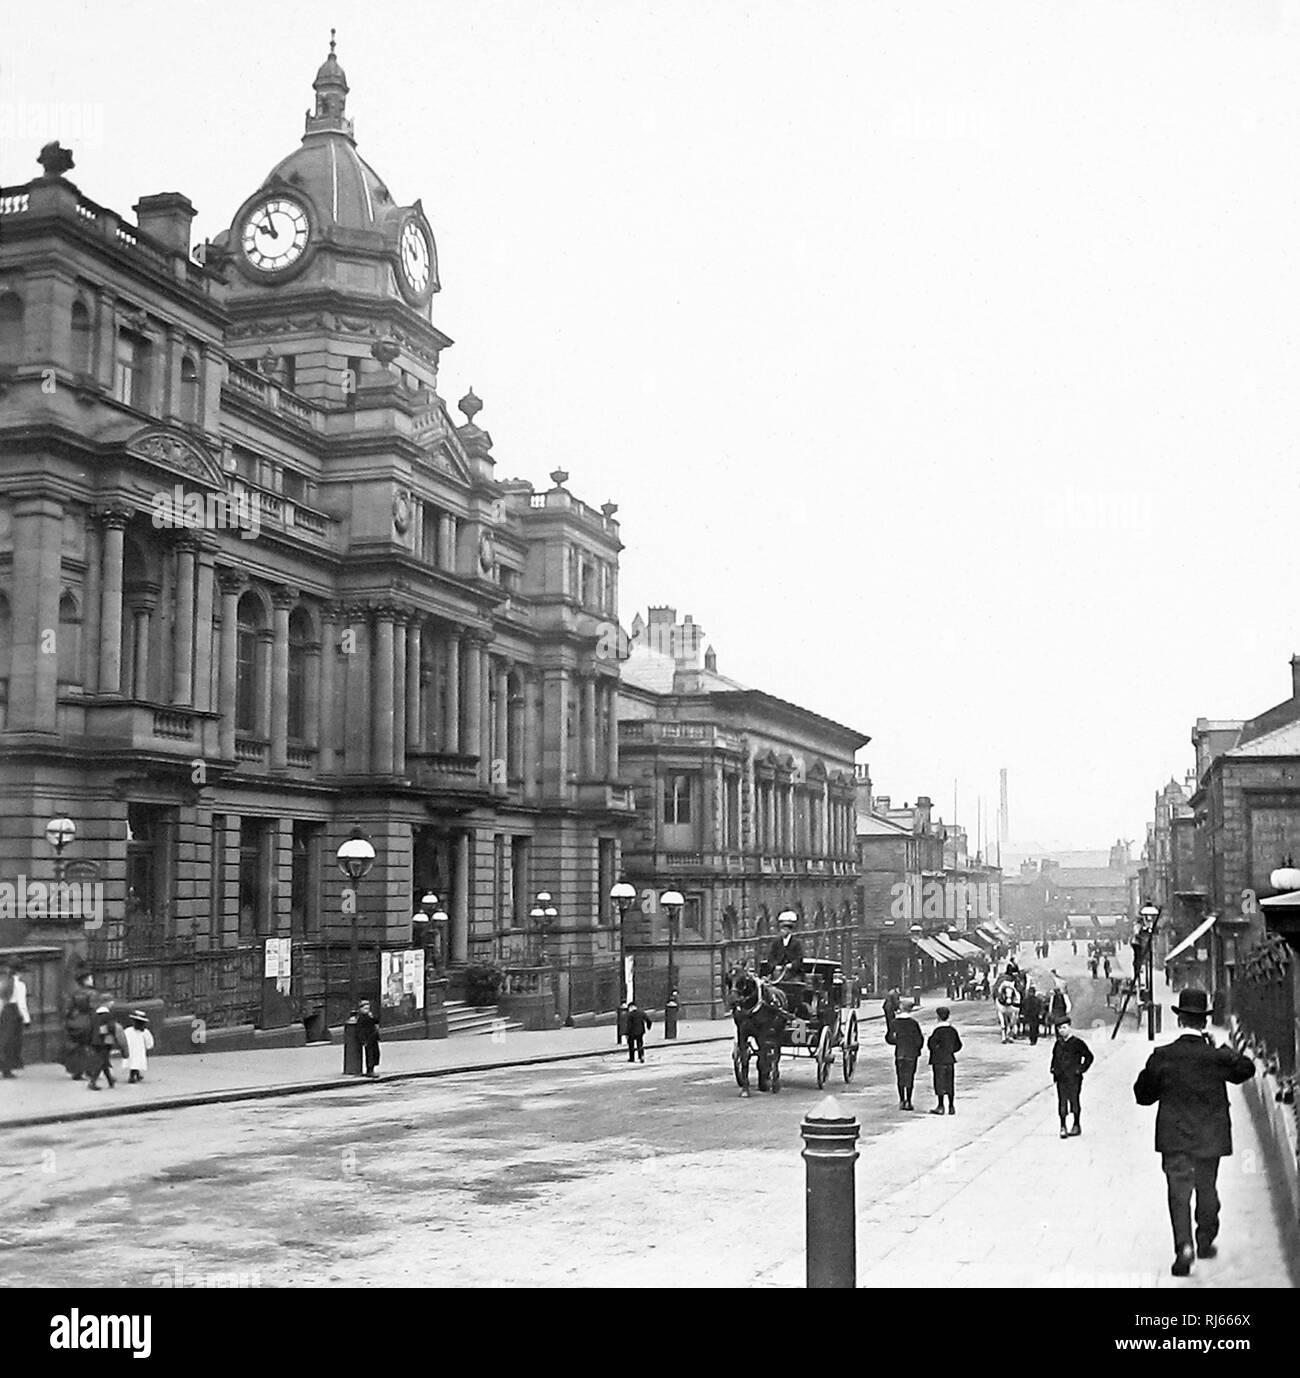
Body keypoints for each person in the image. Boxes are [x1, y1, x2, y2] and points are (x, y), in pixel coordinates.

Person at [1133, 988, 1255, 1277]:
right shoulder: (1215, 1056)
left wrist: (1153, 1077)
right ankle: (1205, 1239)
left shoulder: (1163, 1055)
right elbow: (1246, 1070)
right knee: (1207, 1187)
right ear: (1204, 1022)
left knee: (1178, 1193)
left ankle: (1184, 1248)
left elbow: (1143, 1095)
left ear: (1180, 1020)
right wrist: (1222, 1049)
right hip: (1209, 1137)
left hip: (1174, 1138)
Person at [1050, 1017, 1094, 1138]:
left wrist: (1080, 1069)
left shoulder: (1077, 1043)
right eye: (1059, 1028)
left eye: (1064, 1027)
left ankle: (1076, 1124)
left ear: (1069, 1027)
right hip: (1061, 1078)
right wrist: (1053, 1069)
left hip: (1074, 1078)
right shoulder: (1058, 1043)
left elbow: (1089, 1057)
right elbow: (1055, 1057)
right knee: (1062, 1101)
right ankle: (1063, 1126)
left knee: (1074, 1100)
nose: (1062, 1030)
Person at [887, 995, 924, 1110]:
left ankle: (902, 1100)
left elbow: (889, 1038)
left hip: (900, 1053)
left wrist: (897, 1042)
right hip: (911, 1054)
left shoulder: (894, 1023)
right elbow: (919, 1039)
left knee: (900, 1077)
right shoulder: (913, 1023)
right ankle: (909, 1100)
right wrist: (917, 1049)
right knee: (910, 1077)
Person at [927, 1007, 962, 1115]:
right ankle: (951, 1106)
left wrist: (938, 1050)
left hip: (938, 1060)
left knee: (939, 1082)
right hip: (950, 1059)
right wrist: (950, 1051)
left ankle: (941, 1106)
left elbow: (931, 1045)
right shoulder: (952, 1030)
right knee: (950, 1082)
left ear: (938, 1017)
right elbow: (958, 1045)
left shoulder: (937, 1031)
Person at [0, 964, 31, 1078]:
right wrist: (27, 1019)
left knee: (3, 1040)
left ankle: (4, 1066)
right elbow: (22, 1004)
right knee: (12, 1042)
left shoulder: (3, 983)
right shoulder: (20, 985)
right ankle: (8, 1068)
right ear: (19, 972)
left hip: (4, 1012)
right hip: (14, 1013)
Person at [86, 1004, 123, 1090]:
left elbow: (89, 1029)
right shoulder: (108, 1016)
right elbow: (111, 1027)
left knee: (104, 1061)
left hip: (94, 1042)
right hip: (105, 1042)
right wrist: (114, 1036)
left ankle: (110, 1080)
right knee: (101, 1061)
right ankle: (92, 1082)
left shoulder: (94, 1017)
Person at [62, 987, 94, 1079]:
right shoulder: (91, 994)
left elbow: (66, 1010)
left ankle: (77, 1071)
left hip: (74, 1024)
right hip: (87, 1024)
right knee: (89, 1048)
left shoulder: (73, 994)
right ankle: (89, 1070)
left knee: (77, 1049)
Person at [766, 913, 805, 982]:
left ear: (789, 931)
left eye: (784, 930)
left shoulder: (796, 943)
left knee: (795, 983)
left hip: (793, 973)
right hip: (778, 972)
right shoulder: (776, 942)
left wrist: (792, 965)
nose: (782, 931)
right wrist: (775, 966)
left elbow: (799, 958)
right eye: (781, 929)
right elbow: (771, 957)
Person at [122, 1010, 155, 1084]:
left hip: (137, 1050)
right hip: (134, 1050)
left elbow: (149, 1042)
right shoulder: (129, 1031)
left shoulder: (142, 1032)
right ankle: (132, 1077)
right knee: (135, 1063)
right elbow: (149, 1043)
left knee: (135, 1063)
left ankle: (136, 1075)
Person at [355, 1000, 381, 1077]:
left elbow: (376, 1021)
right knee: (370, 1055)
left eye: (368, 1009)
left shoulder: (369, 1016)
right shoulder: (361, 1018)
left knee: (376, 1053)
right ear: (361, 1009)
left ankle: (372, 1068)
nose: (367, 1010)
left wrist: (372, 1016)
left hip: (373, 1038)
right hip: (368, 1039)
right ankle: (369, 1070)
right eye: (365, 1009)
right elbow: (360, 1030)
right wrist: (363, 1040)